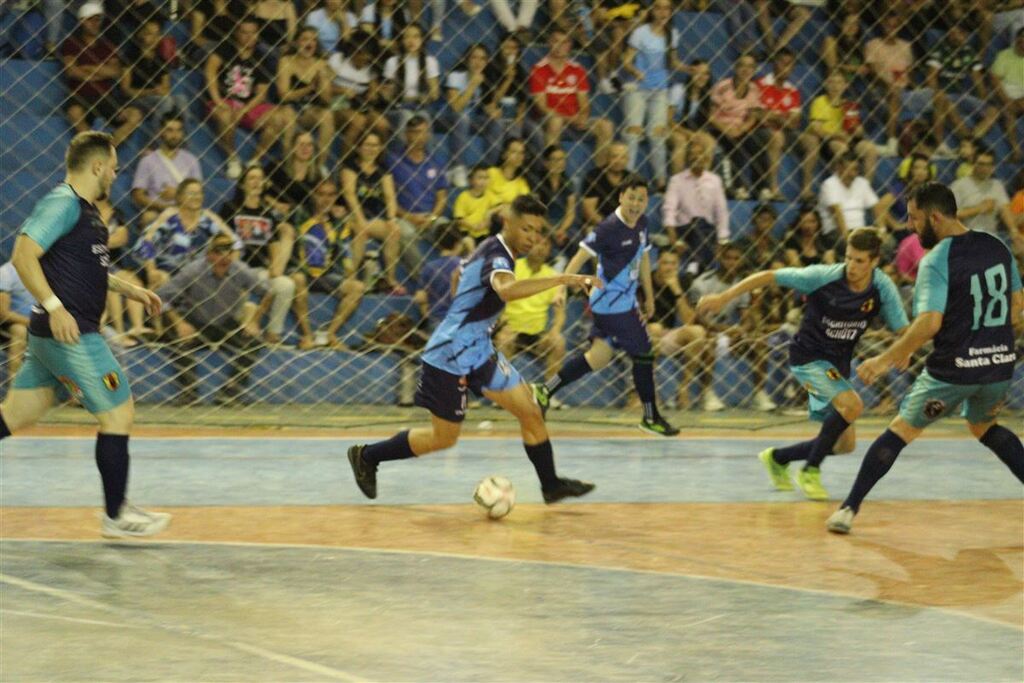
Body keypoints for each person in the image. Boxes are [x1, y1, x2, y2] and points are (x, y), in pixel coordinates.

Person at [346, 195, 598, 503]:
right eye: (526, 229)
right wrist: (562, 279)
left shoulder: (491, 246)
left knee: (531, 410)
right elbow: (505, 289)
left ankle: (551, 485)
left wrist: (467, 305)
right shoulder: (499, 256)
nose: (532, 238)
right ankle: (368, 456)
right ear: (508, 223)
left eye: (537, 231)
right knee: (443, 438)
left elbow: (457, 275)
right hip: (450, 354)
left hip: (477, 349)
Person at [0, 131, 170, 538]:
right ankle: (116, 515)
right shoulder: (62, 203)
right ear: (97, 166)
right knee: (118, 412)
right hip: (72, 335)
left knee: (15, 415)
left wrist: (130, 289)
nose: (115, 172)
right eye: (113, 166)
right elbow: (23, 255)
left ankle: (117, 509)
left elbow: (82, 268)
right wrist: (55, 307)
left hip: (50, 338)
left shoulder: (87, 211)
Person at [828, 182, 1024, 534]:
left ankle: (848, 508)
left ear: (935, 217)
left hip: (953, 372)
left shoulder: (936, 260)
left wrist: (884, 359)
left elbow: (929, 323)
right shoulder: (996, 246)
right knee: (983, 426)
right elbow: (1016, 309)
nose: (912, 226)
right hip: (998, 367)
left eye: (916, 219)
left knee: (901, 430)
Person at [698, 228, 909, 500]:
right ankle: (810, 471)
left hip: (837, 366)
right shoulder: (822, 277)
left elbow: (903, 328)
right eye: (849, 258)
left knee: (845, 445)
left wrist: (906, 349)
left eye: (860, 261)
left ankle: (778, 458)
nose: (852, 266)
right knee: (853, 404)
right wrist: (723, 298)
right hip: (807, 358)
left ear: (875, 261)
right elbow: (769, 276)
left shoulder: (881, 287)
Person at [534, 175, 679, 437]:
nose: (636, 204)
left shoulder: (643, 223)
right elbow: (578, 259)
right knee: (644, 353)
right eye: (631, 198)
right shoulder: (607, 228)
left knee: (599, 357)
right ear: (620, 197)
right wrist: (560, 288)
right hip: (610, 304)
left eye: (641, 199)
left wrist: (649, 295)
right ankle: (650, 417)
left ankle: (544, 391)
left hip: (625, 301)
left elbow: (643, 258)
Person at [158, 234, 275, 405]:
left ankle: (230, 392)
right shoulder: (193, 271)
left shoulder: (240, 270)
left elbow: (268, 292)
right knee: (177, 342)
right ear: (209, 254)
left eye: (229, 251)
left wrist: (254, 321)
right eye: (219, 251)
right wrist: (179, 323)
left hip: (226, 323)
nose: (225, 256)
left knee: (254, 342)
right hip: (195, 322)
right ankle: (189, 393)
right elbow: (160, 297)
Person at [290, 178, 367, 349]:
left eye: (331, 195)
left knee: (357, 287)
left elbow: (346, 253)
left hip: (325, 276)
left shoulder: (339, 224)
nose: (326, 199)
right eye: (321, 194)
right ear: (313, 195)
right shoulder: (300, 216)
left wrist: (349, 273)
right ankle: (307, 336)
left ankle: (329, 335)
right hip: (302, 273)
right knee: (297, 279)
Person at [61, 3, 143, 147]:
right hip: (81, 95)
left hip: (106, 96)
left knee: (135, 115)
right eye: (90, 20)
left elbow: (116, 71)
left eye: (97, 20)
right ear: (82, 21)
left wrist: (88, 69)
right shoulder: (71, 43)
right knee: (74, 112)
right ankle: (93, 148)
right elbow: (71, 72)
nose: (95, 23)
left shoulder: (106, 44)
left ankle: (110, 147)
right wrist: (102, 71)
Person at [495, 235, 567, 382]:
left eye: (545, 245)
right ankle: (503, 391)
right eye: (537, 243)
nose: (541, 248)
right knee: (503, 340)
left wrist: (554, 331)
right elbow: (496, 302)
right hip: (510, 329)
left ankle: (548, 392)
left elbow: (560, 314)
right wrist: (502, 324)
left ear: (549, 250)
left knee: (558, 343)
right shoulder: (511, 269)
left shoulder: (553, 278)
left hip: (536, 334)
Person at [131, 113, 203, 228]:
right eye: (170, 130)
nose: (175, 135)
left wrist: (177, 194)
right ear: (161, 132)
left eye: (178, 130)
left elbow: (198, 192)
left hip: (187, 210)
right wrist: (163, 207)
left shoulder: (192, 160)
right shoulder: (147, 161)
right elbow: (137, 195)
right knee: (148, 217)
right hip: (159, 211)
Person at [0, 260, 33, 379]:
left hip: (42, 320)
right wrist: (31, 322)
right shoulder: (6, 273)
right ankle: (14, 384)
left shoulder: (49, 270)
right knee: (20, 331)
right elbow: (3, 314)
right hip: (15, 323)